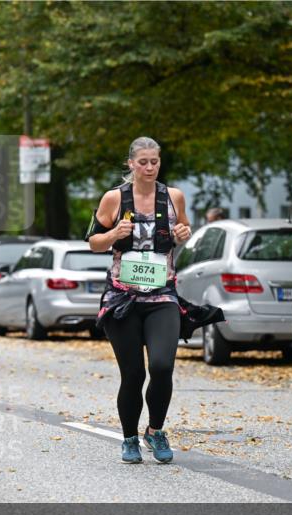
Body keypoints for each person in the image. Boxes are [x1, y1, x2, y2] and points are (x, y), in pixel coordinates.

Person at [88, 137, 192, 464]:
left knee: (162, 366)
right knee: (133, 374)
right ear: (131, 164)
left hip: (162, 295)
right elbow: (93, 242)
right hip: (123, 298)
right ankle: (130, 438)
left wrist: (183, 234)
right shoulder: (113, 199)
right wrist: (112, 236)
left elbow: (184, 228)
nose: (149, 167)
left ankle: (156, 430)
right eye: (143, 162)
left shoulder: (173, 197)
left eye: (154, 162)